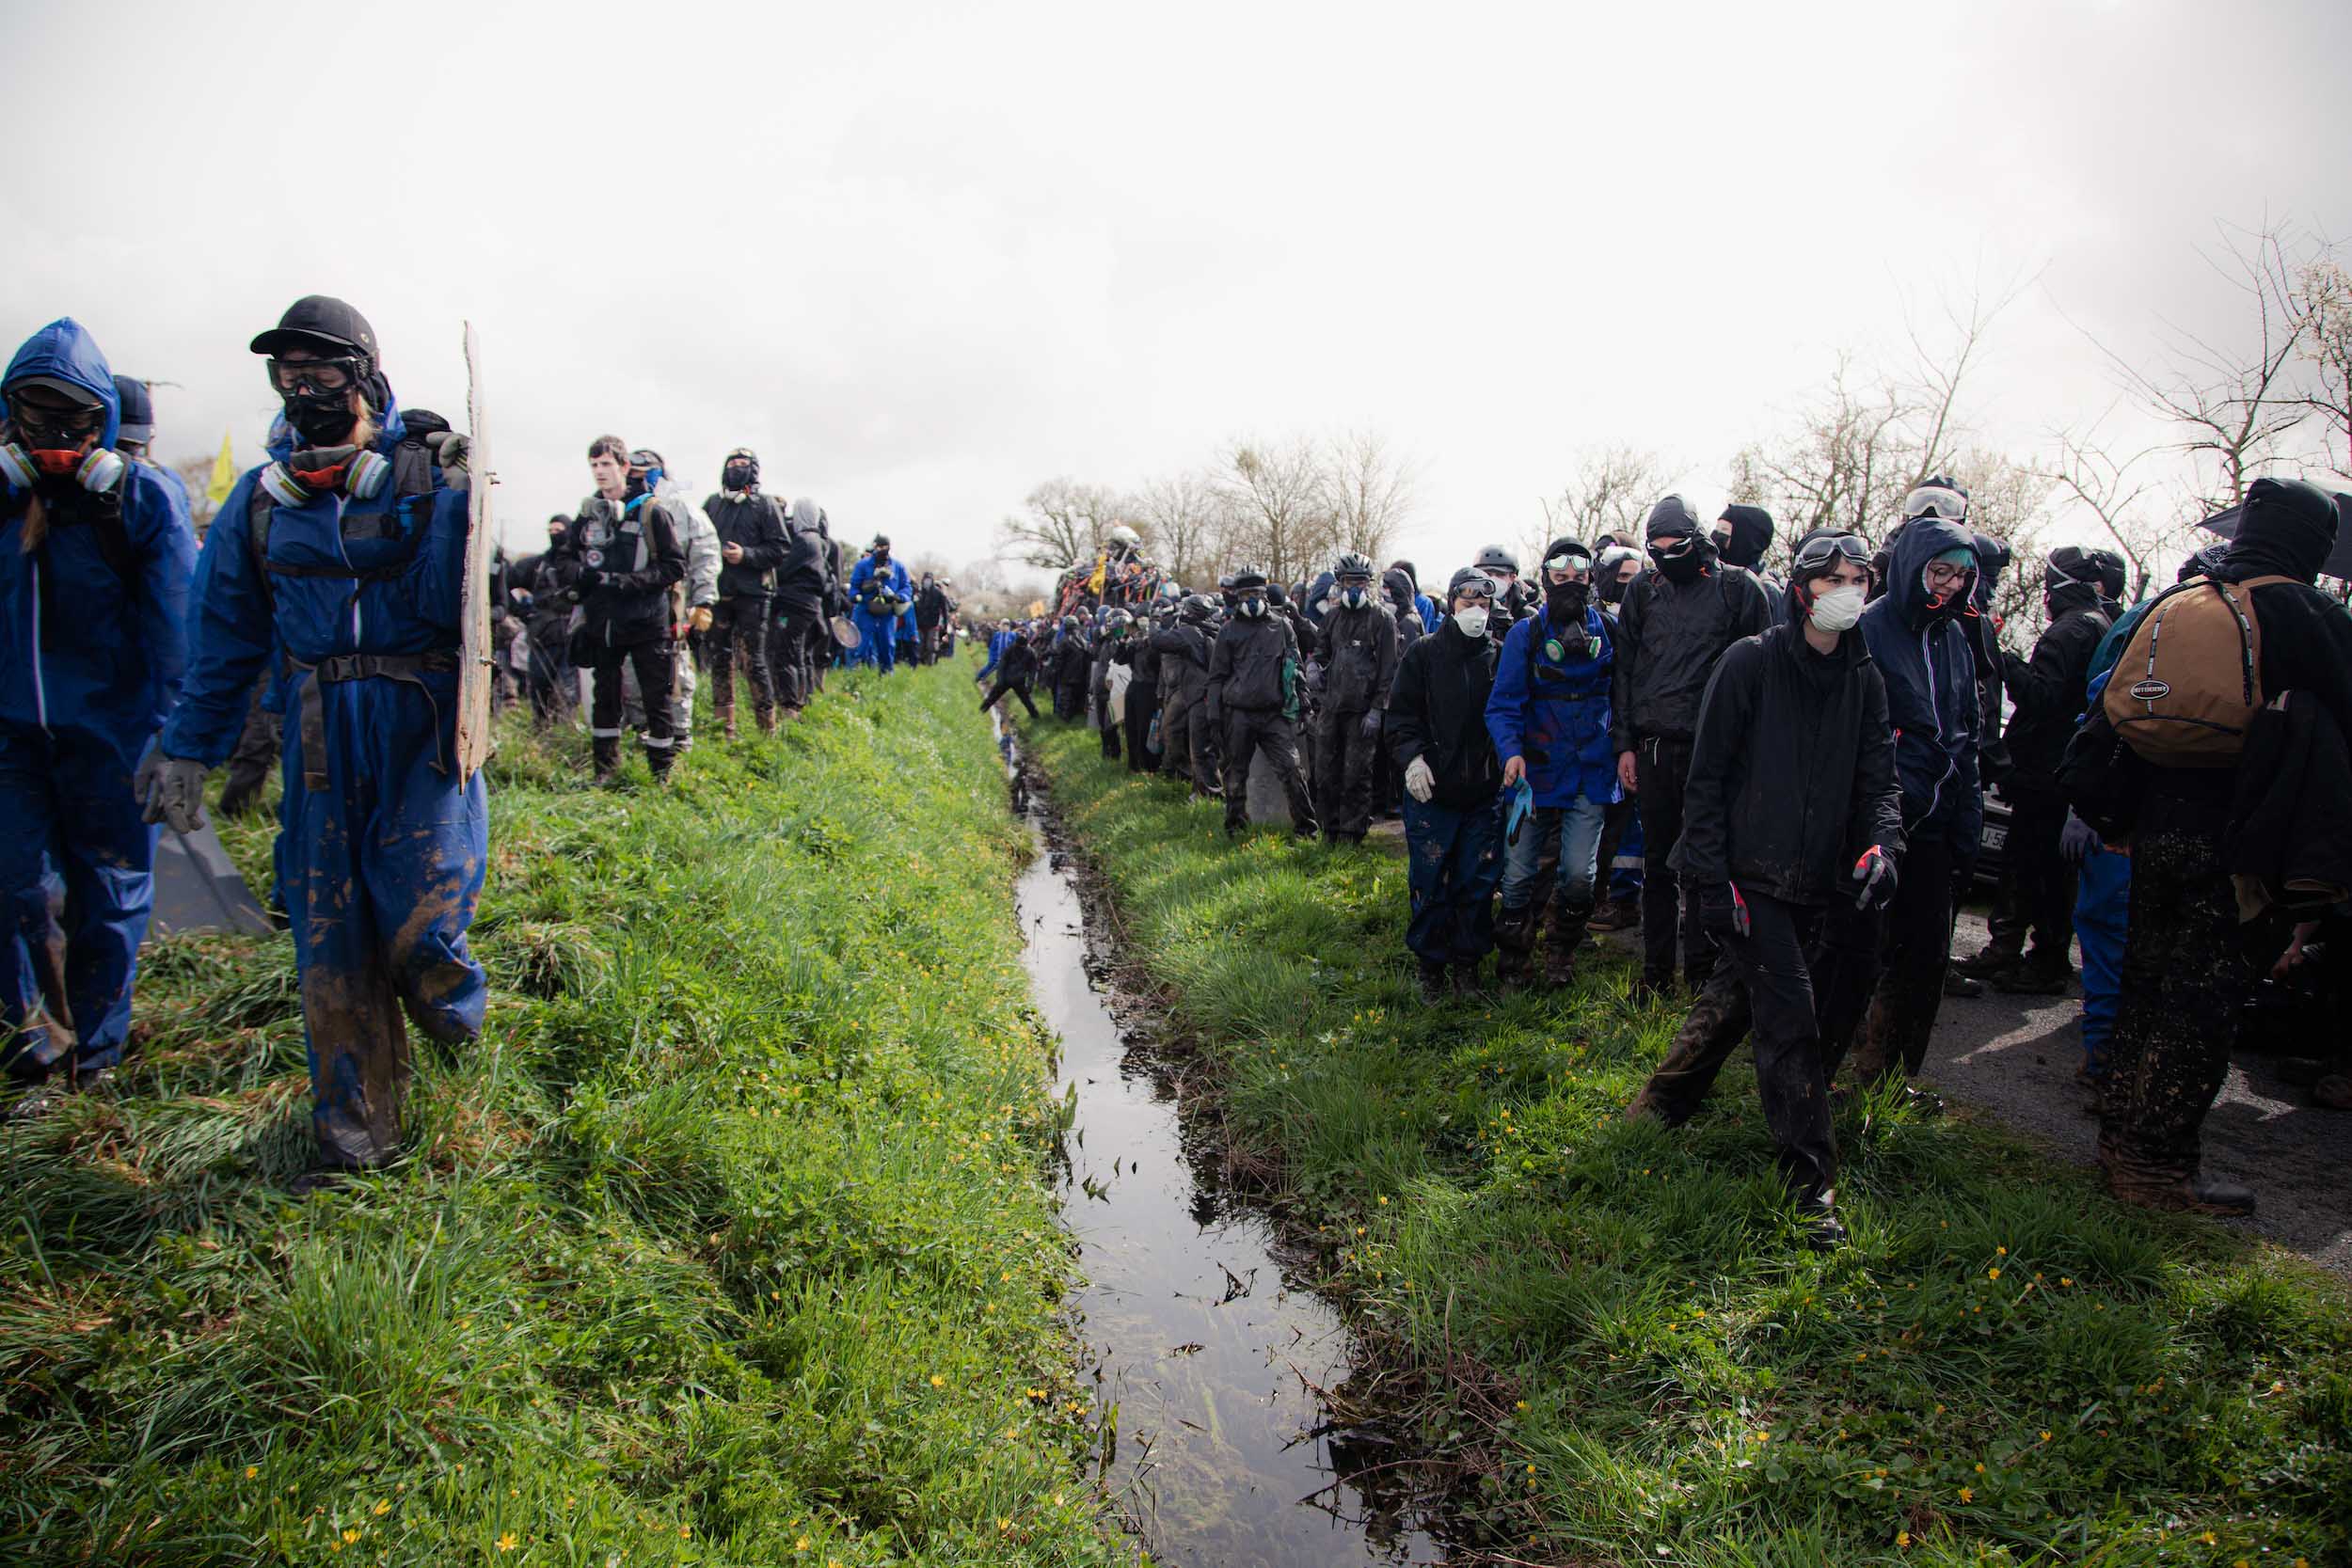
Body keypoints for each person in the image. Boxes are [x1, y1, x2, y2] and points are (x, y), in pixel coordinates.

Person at [145, 295, 481, 1185]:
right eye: (286, 371)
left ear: (365, 374)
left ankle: (454, 1012)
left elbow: (469, 592)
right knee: (329, 937)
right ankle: (356, 1139)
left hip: (421, 727)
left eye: (322, 368)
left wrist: (463, 481)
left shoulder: (427, 474)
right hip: (319, 732)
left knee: (422, 922)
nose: (303, 387)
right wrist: (188, 747)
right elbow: (222, 638)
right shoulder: (260, 502)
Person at [1623, 531, 1902, 1250]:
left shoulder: (1865, 681)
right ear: (1804, 588)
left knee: (1739, 998)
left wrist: (1881, 844)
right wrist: (1712, 882)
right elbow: (1706, 780)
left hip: (1825, 880)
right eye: (1834, 577)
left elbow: (1880, 784)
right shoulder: (1748, 663)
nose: (1848, 590)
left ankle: (1663, 1100)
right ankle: (1811, 1187)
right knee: (1789, 1022)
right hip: (1750, 879)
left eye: (1860, 579)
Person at [2097, 477, 2352, 1213]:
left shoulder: (2185, 599)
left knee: (2145, 983)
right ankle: (2156, 1168)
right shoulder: (2304, 612)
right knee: (2202, 1001)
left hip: (2159, 824)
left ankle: (2118, 1141)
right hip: (2244, 836)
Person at [0, 320, 195, 1095]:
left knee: (108, 894)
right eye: (35, 414)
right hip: (11, 738)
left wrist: (178, 740)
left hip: (114, 735)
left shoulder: (141, 501)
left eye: (74, 417)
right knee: (13, 883)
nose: (55, 435)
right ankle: (33, 1045)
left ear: (103, 421)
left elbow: (182, 628)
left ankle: (98, 1055)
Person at [1836, 483, 1982, 1101]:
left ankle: (1891, 1080)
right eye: (1939, 570)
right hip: (1877, 822)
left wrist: (1967, 827)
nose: (1948, 585)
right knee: (1856, 952)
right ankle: (1823, 1068)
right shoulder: (1869, 628)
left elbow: (1967, 737)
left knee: (1924, 961)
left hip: (1936, 824)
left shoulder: (1954, 640)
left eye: (1960, 574)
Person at [1611, 495, 1774, 996]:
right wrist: (1625, 744)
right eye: (1655, 548)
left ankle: (1705, 975)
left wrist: (1750, 751)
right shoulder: (1643, 590)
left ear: (1696, 539)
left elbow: (1763, 674)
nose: (1665, 555)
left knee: (1708, 865)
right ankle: (1656, 974)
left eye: (1674, 546)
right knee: (1658, 864)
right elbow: (1626, 670)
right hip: (1655, 744)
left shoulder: (1738, 588)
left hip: (1715, 750)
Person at [1955, 546, 2117, 992]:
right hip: (2063, 770)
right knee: (2051, 871)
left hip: (2045, 771)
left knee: (2027, 865)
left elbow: (2041, 697)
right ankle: (2040, 955)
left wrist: (2001, 658)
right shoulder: (2099, 624)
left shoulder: (2068, 631)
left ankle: (2015, 954)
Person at [1486, 539, 1619, 989]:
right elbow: (1503, 704)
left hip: (1591, 771)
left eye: (1578, 578)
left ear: (1591, 580)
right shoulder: (1526, 635)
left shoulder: (1610, 633)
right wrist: (1511, 752)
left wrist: (1627, 750)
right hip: (1535, 773)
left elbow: (1628, 699)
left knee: (1580, 874)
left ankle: (1561, 950)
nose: (1570, 586)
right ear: (1546, 580)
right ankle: (1513, 959)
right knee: (1519, 873)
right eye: (1560, 578)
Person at [1389, 568, 1507, 998]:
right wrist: (1412, 759)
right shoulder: (1423, 654)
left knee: (1476, 883)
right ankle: (1430, 967)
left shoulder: (1498, 656)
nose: (1475, 610)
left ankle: (1467, 965)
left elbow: (1510, 716)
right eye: (1467, 601)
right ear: (1451, 603)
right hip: (1433, 793)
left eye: (1484, 603)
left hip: (1483, 793)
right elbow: (1400, 715)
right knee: (1430, 880)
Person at [563, 434, 686, 783]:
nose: (600, 472)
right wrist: (579, 575)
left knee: (656, 697)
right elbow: (566, 557)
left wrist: (626, 582)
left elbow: (674, 567)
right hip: (602, 624)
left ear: (624, 467)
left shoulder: (652, 511)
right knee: (605, 697)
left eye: (606, 464)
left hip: (647, 622)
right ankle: (605, 771)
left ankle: (661, 774)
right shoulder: (587, 513)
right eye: (594, 465)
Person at [1208, 565, 1318, 838]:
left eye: (1256, 593)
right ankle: (1235, 827)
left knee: (1292, 771)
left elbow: (1296, 667)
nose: (1252, 600)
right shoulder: (1228, 632)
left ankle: (1306, 829)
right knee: (1234, 776)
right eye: (1246, 594)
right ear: (1238, 597)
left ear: (1266, 594)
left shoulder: (1281, 627)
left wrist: (1304, 704)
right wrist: (1214, 716)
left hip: (1274, 714)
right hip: (1239, 714)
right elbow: (1216, 677)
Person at [1311, 552, 1400, 844]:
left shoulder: (1382, 620)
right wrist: (1313, 668)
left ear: (1369, 585)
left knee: (1356, 775)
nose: (1355, 589)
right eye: (1350, 582)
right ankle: (1330, 829)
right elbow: (1320, 651)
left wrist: (1377, 710)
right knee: (1325, 772)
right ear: (1340, 583)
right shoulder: (1332, 618)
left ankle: (1352, 832)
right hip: (1331, 708)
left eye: (1361, 583)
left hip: (1362, 713)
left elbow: (1389, 669)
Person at [702, 447, 787, 737]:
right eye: (732, 463)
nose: (736, 468)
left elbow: (780, 549)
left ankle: (767, 729)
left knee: (755, 660)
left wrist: (747, 555)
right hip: (720, 594)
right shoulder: (712, 505)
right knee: (719, 658)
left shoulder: (765, 505)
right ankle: (724, 726)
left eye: (743, 463)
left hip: (754, 595)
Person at [506, 514, 580, 729]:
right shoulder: (537, 565)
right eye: (551, 531)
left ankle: (566, 731)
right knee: (539, 686)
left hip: (573, 636)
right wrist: (521, 611)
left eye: (559, 531)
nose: (555, 535)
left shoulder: (579, 565)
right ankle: (541, 728)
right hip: (542, 636)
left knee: (569, 691)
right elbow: (502, 582)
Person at [1153, 594, 1220, 799]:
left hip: (1201, 697)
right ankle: (1200, 790)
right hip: (1203, 696)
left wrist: (1154, 621)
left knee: (1200, 749)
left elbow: (1157, 640)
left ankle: (1210, 794)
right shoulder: (1207, 630)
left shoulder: (1191, 633)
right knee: (1198, 747)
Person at [849, 534, 911, 673]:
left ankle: (886, 676)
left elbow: (906, 587)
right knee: (859, 643)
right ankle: (853, 677)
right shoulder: (863, 565)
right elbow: (854, 585)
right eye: (878, 547)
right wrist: (855, 596)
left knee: (887, 645)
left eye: (884, 547)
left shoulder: (898, 567)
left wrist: (899, 597)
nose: (881, 550)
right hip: (865, 610)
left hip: (887, 613)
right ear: (874, 547)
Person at [1124, 601, 1168, 773]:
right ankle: (1133, 764)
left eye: (1144, 618)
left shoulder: (1158, 638)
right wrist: (1125, 641)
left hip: (1149, 688)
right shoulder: (1133, 639)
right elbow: (1121, 659)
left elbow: (1156, 662)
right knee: (1131, 727)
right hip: (1134, 685)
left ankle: (1148, 766)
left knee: (1145, 729)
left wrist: (1148, 641)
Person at [1090, 608, 1133, 760]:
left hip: (1115, 690)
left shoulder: (1125, 643)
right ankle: (1107, 753)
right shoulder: (1105, 640)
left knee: (1111, 725)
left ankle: (1115, 755)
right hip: (1100, 687)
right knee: (1103, 725)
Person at [979, 623, 1041, 718]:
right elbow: (1032, 670)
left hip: (1008, 679)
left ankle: (982, 710)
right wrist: (1030, 684)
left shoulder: (1012, 649)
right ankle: (1036, 717)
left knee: (993, 697)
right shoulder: (1029, 651)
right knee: (1027, 701)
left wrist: (1000, 679)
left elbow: (1002, 665)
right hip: (1016, 680)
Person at [1710, 504, 1774, 582]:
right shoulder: (1712, 576)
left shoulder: (1763, 587)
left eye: (1724, 529)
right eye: (1717, 528)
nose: (1716, 534)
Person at [915, 572, 950, 665]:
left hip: (933, 624)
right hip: (920, 623)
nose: (927, 582)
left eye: (929, 580)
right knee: (919, 644)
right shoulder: (919, 592)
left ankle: (930, 663)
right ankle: (919, 663)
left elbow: (944, 610)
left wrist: (945, 626)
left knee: (931, 646)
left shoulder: (938, 593)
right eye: (926, 579)